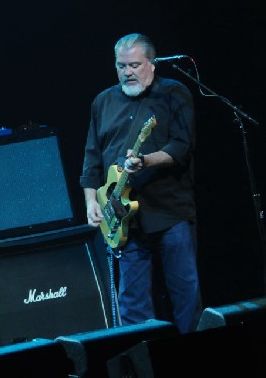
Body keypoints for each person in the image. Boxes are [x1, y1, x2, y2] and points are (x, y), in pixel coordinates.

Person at [80, 33, 202, 334]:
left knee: (185, 294)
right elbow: (92, 157)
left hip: (169, 210)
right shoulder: (103, 101)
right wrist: (91, 201)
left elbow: (182, 147)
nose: (127, 72)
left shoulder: (174, 94)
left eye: (134, 65)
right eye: (121, 66)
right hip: (123, 219)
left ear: (152, 63)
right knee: (132, 303)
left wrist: (146, 161)